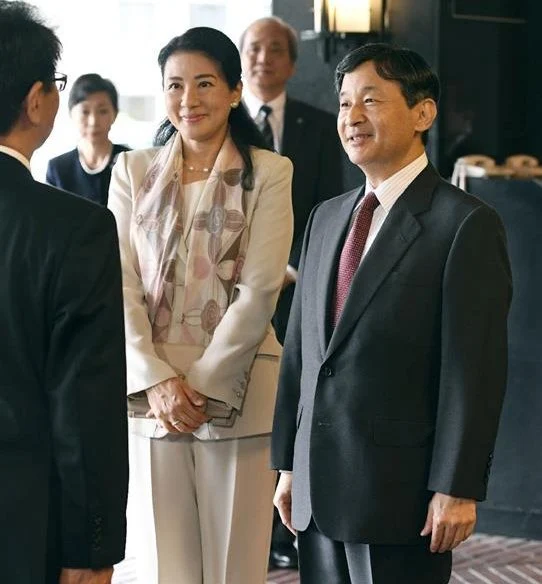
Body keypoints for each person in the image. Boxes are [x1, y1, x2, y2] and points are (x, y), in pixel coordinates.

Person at [271, 42, 512, 584]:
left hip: (399, 492)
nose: (352, 117)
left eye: (371, 100)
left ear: (423, 112)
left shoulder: (464, 225)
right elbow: (302, 353)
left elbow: (473, 372)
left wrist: (457, 485)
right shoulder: (325, 219)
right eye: (343, 104)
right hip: (316, 485)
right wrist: (288, 462)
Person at [108, 26, 293, 584]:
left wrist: (205, 385)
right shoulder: (132, 171)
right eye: (175, 85)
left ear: (235, 91)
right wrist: (159, 381)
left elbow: (260, 290)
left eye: (205, 83)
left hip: (239, 396)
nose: (189, 100)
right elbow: (117, 283)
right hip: (152, 400)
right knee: (167, 569)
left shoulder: (269, 172)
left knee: (234, 568)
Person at [0, 2, 128, 584]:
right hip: (24, 522)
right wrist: (91, 545)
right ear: (35, 101)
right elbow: (84, 405)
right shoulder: (73, 228)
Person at [240, 16, 344, 569]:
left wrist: (297, 269)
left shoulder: (322, 124)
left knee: (293, 406)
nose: (264, 58)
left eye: (275, 49)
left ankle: (285, 532)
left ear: (293, 61)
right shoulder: (227, 124)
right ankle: (251, 529)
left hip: (301, 290)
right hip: (235, 298)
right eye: (254, 48)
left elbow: (329, 209)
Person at [46, 73, 130, 205]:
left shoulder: (129, 161)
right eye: (85, 112)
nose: (93, 121)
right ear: (71, 113)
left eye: (102, 111)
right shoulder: (58, 168)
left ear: (115, 113)